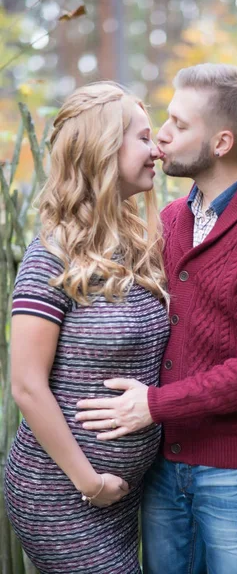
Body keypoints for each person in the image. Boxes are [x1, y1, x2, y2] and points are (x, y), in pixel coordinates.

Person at [76, 64, 237, 574]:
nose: (161, 135)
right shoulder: (169, 222)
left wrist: (155, 405)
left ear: (222, 141)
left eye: (179, 125)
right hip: (164, 467)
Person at [4, 81, 170, 574]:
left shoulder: (134, 247)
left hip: (121, 495)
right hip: (60, 491)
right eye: (143, 138)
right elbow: (27, 386)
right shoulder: (49, 258)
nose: (157, 149)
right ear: (102, 148)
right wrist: (90, 483)